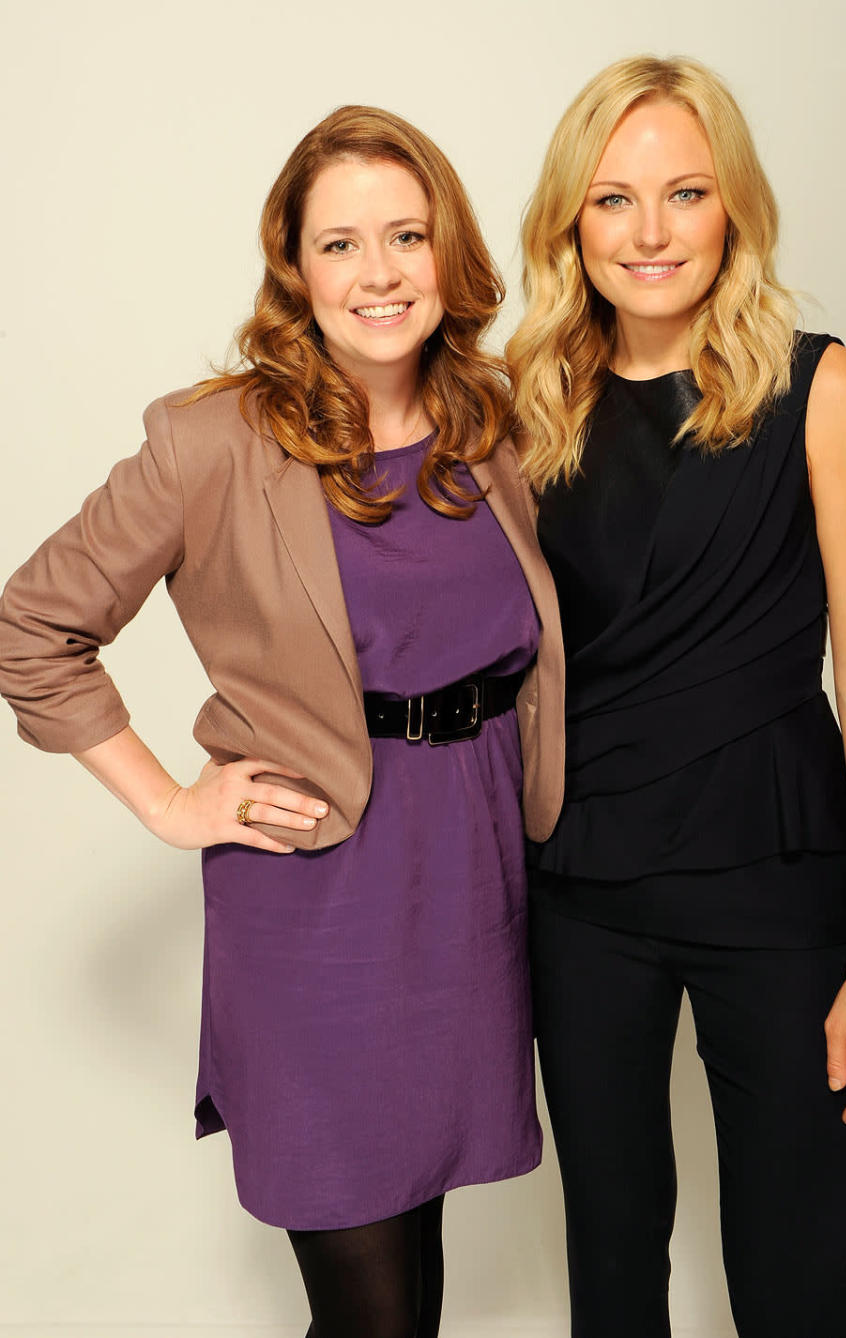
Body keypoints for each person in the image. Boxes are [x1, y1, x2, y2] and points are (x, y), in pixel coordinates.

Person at [0, 105, 564, 1338]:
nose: (378, 274)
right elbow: (31, 626)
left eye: (406, 236)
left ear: (446, 251)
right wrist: (167, 800)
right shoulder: (213, 442)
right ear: (294, 269)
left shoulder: (495, 421)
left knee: (411, 1277)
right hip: (320, 903)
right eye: (341, 243)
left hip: (471, 885)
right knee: (370, 1308)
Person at [506, 56, 846, 1338]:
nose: (650, 232)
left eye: (684, 193)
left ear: (732, 205)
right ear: (572, 219)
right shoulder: (531, 408)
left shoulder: (821, 387)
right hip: (583, 899)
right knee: (612, 1275)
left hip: (778, 888)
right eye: (614, 199)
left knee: (795, 1287)